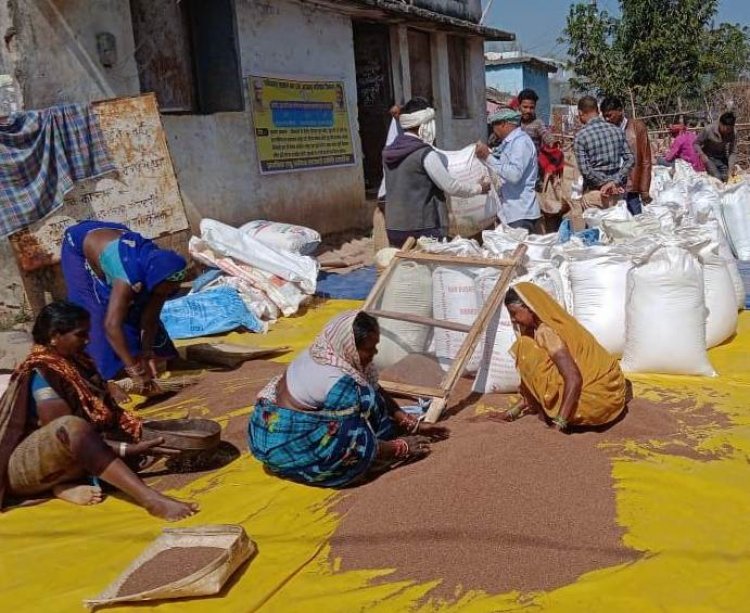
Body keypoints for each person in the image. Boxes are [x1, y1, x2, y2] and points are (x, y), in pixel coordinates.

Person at [0, 301, 199, 520]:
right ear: (55, 336)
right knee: (71, 427)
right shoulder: (42, 373)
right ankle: (150, 500)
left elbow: (101, 416)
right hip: (28, 468)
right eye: (80, 335)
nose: (87, 340)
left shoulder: (77, 362)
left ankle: (67, 484)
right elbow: (65, 437)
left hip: (77, 453)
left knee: (163, 439)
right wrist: (124, 449)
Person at [248, 311, 449, 487]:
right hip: (287, 447)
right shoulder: (340, 381)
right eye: (369, 349)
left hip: (264, 430)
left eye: (376, 346)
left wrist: (409, 422)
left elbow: (376, 387)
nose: (375, 353)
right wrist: (400, 447)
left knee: (372, 401)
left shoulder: (324, 350)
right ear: (351, 348)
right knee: (362, 437)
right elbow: (351, 444)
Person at [61, 220, 187, 391]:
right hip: (81, 242)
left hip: (117, 238)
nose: (174, 290)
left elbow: (150, 318)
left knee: (140, 303)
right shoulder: (125, 278)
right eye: (170, 287)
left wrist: (146, 352)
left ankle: (155, 355)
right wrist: (135, 370)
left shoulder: (159, 270)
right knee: (95, 312)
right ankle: (107, 377)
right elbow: (111, 326)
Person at [501, 284, 627, 431]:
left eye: (514, 313)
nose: (513, 320)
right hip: (611, 397)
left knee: (524, 346)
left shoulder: (547, 332)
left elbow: (574, 378)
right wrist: (512, 412)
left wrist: (559, 424)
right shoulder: (561, 323)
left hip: (590, 404)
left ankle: (562, 414)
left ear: (528, 307)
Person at [382, 97, 489, 247]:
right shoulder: (424, 153)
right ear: (425, 125)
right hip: (421, 228)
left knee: (405, 268)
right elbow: (451, 186)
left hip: (394, 227)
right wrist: (479, 188)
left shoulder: (389, 151)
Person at [476, 109, 541, 233]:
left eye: (494, 125)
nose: (494, 130)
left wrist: (487, 157)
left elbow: (514, 175)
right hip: (511, 212)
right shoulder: (509, 143)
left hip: (521, 212)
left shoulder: (521, 142)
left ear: (503, 124)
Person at [573, 96, 635, 207]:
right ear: (597, 110)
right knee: (616, 223)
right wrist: (613, 181)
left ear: (580, 113)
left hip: (595, 194)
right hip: (616, 192)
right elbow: (630, 159)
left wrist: (605, 183)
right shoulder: (617, 131)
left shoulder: (580, 137)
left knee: (595, 224)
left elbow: (586, 170)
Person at [600, 97, 653, 215]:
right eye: (605, 117)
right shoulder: (606, 131)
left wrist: (644, 190)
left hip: (631, 185)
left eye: (610, 115)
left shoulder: (636, 127)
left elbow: (645, 160)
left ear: (620, 110)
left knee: (636, 218)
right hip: (612, 185)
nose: (607, 119)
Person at [694, 112, 737, 182]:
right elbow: (696, 143)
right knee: (717, 179)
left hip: (722, 158)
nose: (728, 131)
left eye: (730, 129)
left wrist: (731, 168)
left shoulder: (733, 133)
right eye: (726, 128)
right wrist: (702, 154)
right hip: (709, 158)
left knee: (727, 178)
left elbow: (733, 152)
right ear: (720, 123)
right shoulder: (708, 129)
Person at [517, 88, 555, 153]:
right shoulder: (515, 123)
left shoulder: (538, 123)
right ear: (519, 106)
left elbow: (546, 135)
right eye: (525, 107)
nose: (528, 111)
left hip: (533, 162)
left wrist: (553, 143)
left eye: (532, 108)